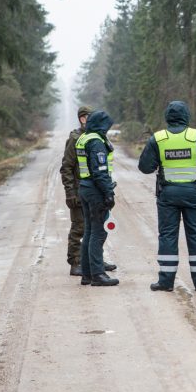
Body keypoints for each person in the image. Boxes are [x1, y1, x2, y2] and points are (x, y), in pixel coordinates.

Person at [138, 101, 196, 292]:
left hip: (167, 196)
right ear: (186, 117)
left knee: (167, 237)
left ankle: (166, 282)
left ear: (167, 117)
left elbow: (144, 167)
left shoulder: (158, 139)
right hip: (193, 194)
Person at [61, 105, 115, 277]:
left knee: (95, 228)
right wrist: (70, 193)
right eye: (85, 117)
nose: (87, 120)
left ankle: (95, 260)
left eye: (90, 117)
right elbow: (66, 168)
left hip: (90, 188)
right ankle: (76, 262)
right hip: (80, 190)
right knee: (80, 228)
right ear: (81, 119)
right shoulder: (76, 138)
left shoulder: (95, 137)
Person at [75, 110, 119, 286]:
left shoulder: (84, 138)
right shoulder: (96, 142)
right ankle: (98, 274)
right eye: (107, 126)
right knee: (97, 233)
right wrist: (108, 193)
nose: (108, 129)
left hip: (85, 187)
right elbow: (99, 171)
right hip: (95, 190)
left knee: (89, 232)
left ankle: (86, 274)